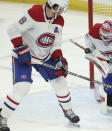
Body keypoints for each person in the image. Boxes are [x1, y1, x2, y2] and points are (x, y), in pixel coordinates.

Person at [0, 0, 80, 130]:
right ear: (55, 7)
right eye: (61, 9)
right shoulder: (35, 13)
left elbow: (55, 44)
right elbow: (13, 29)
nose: (61, 12)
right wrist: (20, 48)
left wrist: (59, 59)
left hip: (45, 57)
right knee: (22, 87)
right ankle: (2, 117)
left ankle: (68, 110)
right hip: (24, 56)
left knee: (60, 83)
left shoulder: (59, 21)